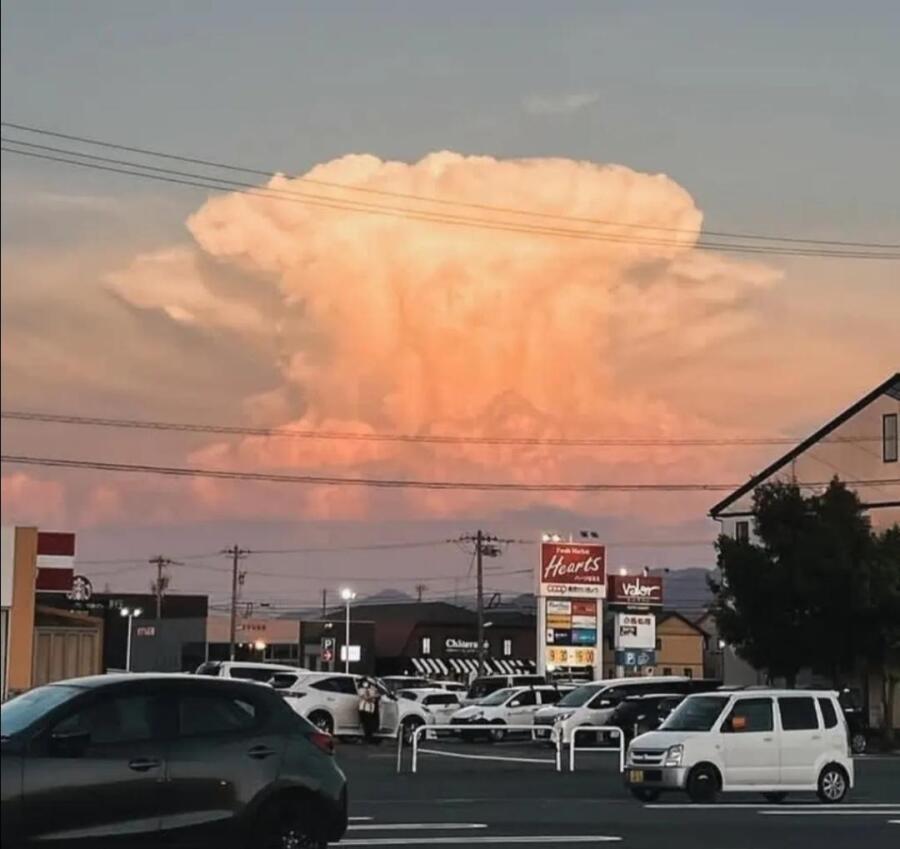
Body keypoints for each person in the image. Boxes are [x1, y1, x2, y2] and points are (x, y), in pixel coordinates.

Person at [357, 677, 381, 744]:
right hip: (364, 708)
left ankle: (369, 738)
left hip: (370, 709)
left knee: (369, 724)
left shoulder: (373, 689)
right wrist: (374, 696)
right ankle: (366, 738)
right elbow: (366, 697)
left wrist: (374, 696)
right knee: (366, 724)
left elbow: (378, 695)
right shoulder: (361, 689)